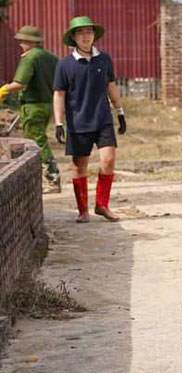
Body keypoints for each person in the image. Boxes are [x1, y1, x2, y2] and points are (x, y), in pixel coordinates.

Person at [52, 16, 127, 223]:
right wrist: (59, 123)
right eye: (81, 32)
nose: (86, 36)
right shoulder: (64, 65)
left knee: (109, 159)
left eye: (89, 32)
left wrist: (120, 112)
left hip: (103, 118)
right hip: (78, 121)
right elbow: (59, 94)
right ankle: (83, 210)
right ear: (73, 37)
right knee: (79, 166)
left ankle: (102, 204)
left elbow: (111, 86)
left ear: (94, 35)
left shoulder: (104, 59)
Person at [0, 25, 61, 191]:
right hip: (48, 104)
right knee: (40, 139)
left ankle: (52, 178)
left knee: (36, 142)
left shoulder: (30, 58)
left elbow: (20, 83)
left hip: (33, 106)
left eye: (22, 41)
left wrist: (3, 90)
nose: (20, 44)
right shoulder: (52, 58)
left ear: (29, 42)